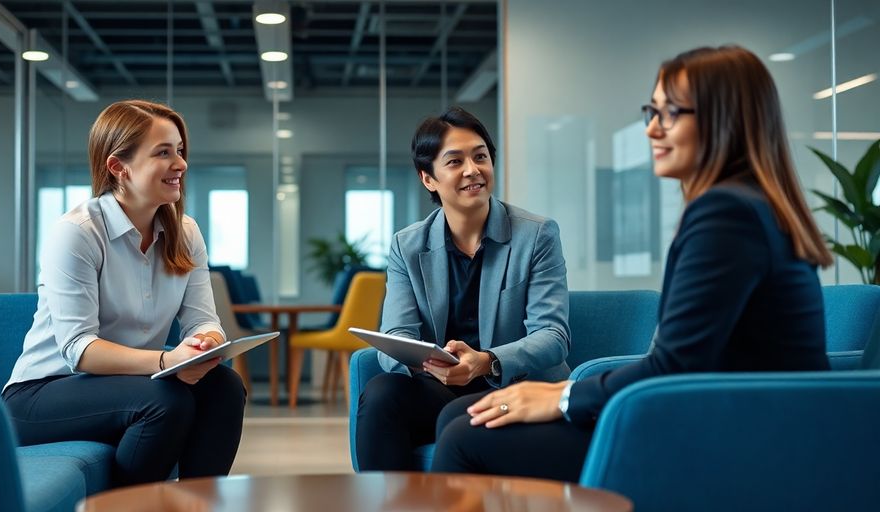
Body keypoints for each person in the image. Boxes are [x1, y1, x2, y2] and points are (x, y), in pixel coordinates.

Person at [431, 45, 834, 481]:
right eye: (652, 112)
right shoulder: (747, 204)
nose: (652, 131)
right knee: (462, 417)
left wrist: (561, 397)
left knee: (463, 436)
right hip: (728, 414)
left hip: (735, 433)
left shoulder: (726, 214)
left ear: (724, 120)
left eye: (671, 114)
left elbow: (674, 367)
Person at [2, 100, 246, 486]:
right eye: (163, 152)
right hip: (43, 394)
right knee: (166, 401)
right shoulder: (78, 232)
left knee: (225, 388)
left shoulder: (186, 232)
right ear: (119, 167)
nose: (180, 163)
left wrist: (205, 345)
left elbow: (202, 319)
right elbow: (79, 349)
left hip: (134, 387)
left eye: (180, 151)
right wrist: (167, 362)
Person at [355, 106, 572, 471]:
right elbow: (396, 334)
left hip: (514, 389)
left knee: (457, 420)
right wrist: (432, 363)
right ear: (429, 179)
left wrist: (485, 361)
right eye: (455, 162)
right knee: (381, 395)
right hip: (439, 385)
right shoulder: (407, 246)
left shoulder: (536, 235)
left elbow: (553, 335)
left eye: (481, 157)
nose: (473, 170)